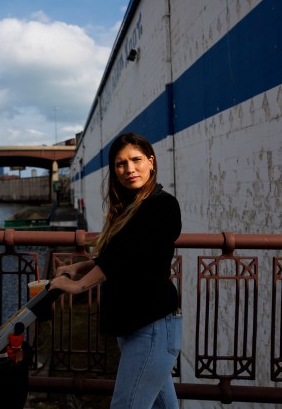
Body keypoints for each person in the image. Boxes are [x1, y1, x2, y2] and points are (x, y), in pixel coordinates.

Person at [49, 132, 182, 409]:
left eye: (136, 160)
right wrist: (79, 266)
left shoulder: (162, 206)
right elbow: (115, 255)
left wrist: (78, 286)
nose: (129, 169)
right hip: (132, 324)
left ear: (151, 162)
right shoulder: (129, 207)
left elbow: (128, 259)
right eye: (121, 164)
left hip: (152, 325)